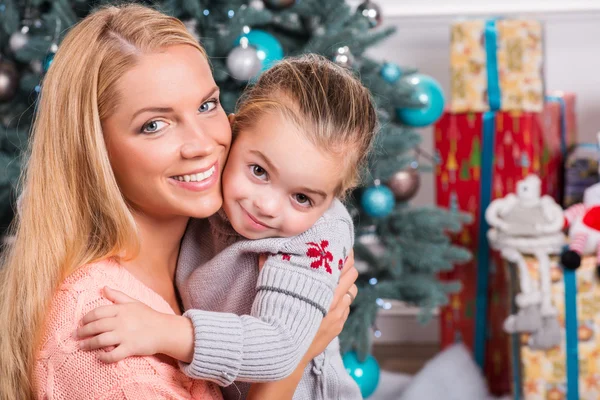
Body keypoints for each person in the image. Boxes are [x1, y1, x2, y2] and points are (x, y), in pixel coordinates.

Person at [0, 5, 356, 400]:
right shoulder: (99, 330)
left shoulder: (266, 224)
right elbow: (281, 349)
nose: (204, 144)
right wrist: (298, 356)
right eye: (154, 125)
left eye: (207, 106)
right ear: (94, 151)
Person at [76, 55, 377, 400]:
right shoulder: (205, 196)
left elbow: (279, 348)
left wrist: (164, 331)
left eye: (302, 198)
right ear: (233, 133)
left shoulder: (315, 238)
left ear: (333, 199)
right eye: (259, 172)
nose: (266, 206)